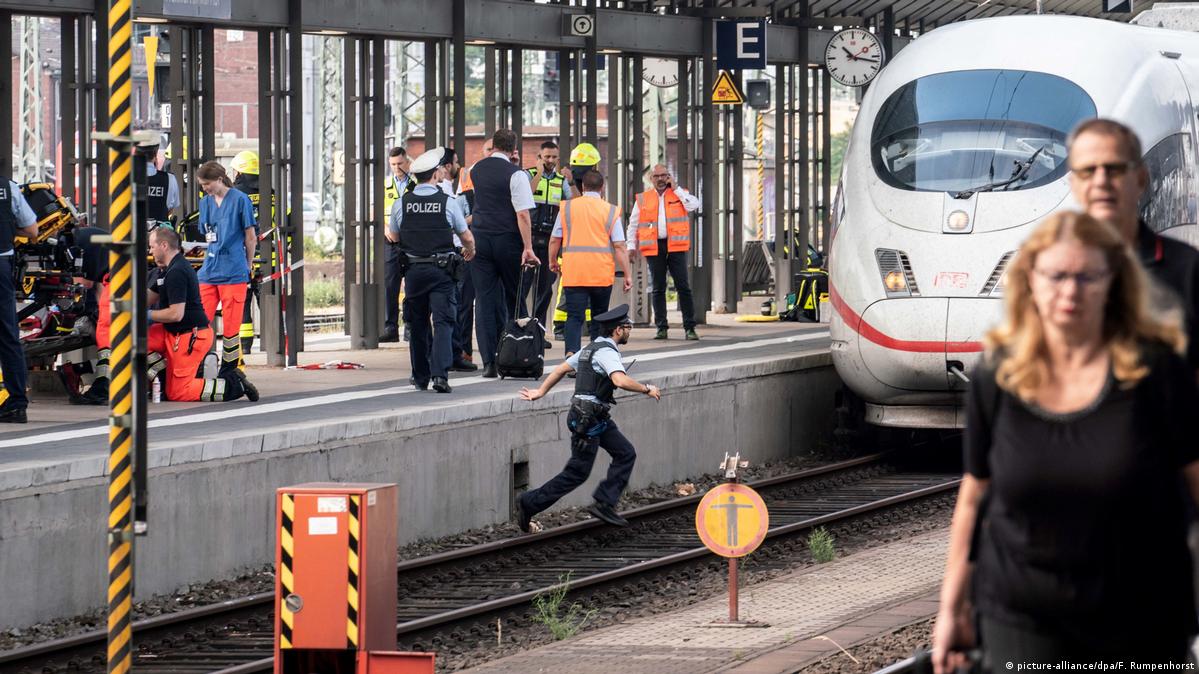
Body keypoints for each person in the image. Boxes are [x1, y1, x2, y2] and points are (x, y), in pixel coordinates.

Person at [932, 211, 1199, 671]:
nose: (1070, 292)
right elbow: (974, 497)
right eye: (1056, 276)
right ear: (1030, 281)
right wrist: (951, 609)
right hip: (1022, 617)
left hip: (1143, 614)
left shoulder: (1156, 372)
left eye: (1086, 277)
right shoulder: (997, 376)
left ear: (1114, 282)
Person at [1067, 118, 1199, 370]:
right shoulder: (1047, 268)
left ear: (1140, 178)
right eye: (1088, 171)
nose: (1101, 181)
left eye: (1114, 169)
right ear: (1074, 184)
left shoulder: (1187, 268)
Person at [516, 305, 661, 531]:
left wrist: (541, 392)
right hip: (589, 419)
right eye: (627, 328)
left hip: (593, 416)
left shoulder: (590, 348)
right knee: (576, 473)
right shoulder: (608, 352)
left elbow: (560, 369)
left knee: (625, 453)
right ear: (618, 330)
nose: (629, 331)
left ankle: (605, 502)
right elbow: (620, 380)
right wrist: (646, 389)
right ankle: (529, 502)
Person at [388, 148, 476, 393]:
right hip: (442, 272)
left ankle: (420, 377)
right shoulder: (447, 202)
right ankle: (440, 376)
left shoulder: (401, 203)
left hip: (413, 272)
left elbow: (394, 236)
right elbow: (465, 235)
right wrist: (470, 250)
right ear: (436, 174)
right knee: (444, 322)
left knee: (417, 323)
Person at [146, 227, 258, 403]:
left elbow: (176, 314)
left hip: (189, 337)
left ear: (164, 246)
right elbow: (147, 298)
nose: (150, 251)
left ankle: (233, 386)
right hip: (173, 333)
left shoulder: (177, 272)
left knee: (179, 393)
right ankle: (163, 379)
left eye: (152, 246)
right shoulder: (166, 270)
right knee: (133, 340)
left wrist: (148, 315)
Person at [469, 129, 539, 378]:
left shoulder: (476, 169)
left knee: (485, 301)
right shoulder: (516, 174)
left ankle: (490, 362)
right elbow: (522, 214)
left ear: (494, 145)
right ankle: (519, 356)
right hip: (507, 241)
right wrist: (528, 247)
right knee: (515, 298)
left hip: (480, 241)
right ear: (513, 149)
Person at [550, 170, 632, 357]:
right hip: (601, 274)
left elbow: (555, 239)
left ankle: (571, 354)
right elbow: (619, 246)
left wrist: (553, 261)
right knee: (600, 316)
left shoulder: (567, 208)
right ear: (602, 187)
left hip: (575, 273)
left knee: (574, 316)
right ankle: (596, 356)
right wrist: (627, 274)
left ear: (582, 187)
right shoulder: (610, 210)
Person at [195, 161, 256, 377]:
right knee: (200, 320)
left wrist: (248, 265)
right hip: (209, 269)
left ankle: (229, 371)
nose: (205, 189)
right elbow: (206, 234)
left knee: (231, 327)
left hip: (233, 270)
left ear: (219, 179)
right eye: (202, 185)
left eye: (207, 184)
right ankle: (199, 365)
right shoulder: (205, 203)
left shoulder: (240, 200)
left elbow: (250, 237)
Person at [627, 164, 701, 340]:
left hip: (676, 246)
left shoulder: (679, 194)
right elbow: (633, 224)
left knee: (683, 287)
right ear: (650, 178)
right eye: (657, 176)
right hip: (655, 246)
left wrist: (677, 189)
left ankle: (689, 327)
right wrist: (631, 246)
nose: (660, 179)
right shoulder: (643, 198)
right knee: (658, 288)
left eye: (664, 175)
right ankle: (661, 327)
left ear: (669, 177)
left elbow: (694, 205)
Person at [525, 141, 572, 346]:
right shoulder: (528, 175)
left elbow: (573, 205)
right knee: (523, 288)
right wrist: (538, 173)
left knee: (545, 290)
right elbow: (526, 195)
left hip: (550, 241)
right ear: (539, 158)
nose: (550, 161)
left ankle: (538, 333)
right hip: (529, 240)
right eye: (547, 157)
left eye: (554, 157)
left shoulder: (561, 181)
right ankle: (521, 331)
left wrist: (571, 182)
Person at [0, 179, 39, 422]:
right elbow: (33, 231)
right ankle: (16, 405)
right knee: (8, 335)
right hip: (1, 267)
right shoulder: (8, 188)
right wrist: (9, 229)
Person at [382, 147, 411, 343]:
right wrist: (386, 228)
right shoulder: (385, 185)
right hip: (390, 241)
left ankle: (410, 326)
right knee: (390, 284)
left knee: (412, 285)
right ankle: (390, 328)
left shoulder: (415, 185)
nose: (396, 167)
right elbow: (375, 209)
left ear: (406, 162)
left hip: (411, 241)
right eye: (393, 164)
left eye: (400, 163)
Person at [139, 140, 181, 226]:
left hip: (134, 229)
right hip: (160, 230)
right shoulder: (169, 178)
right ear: (155, 155)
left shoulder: (128, 178)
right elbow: (171, 209)